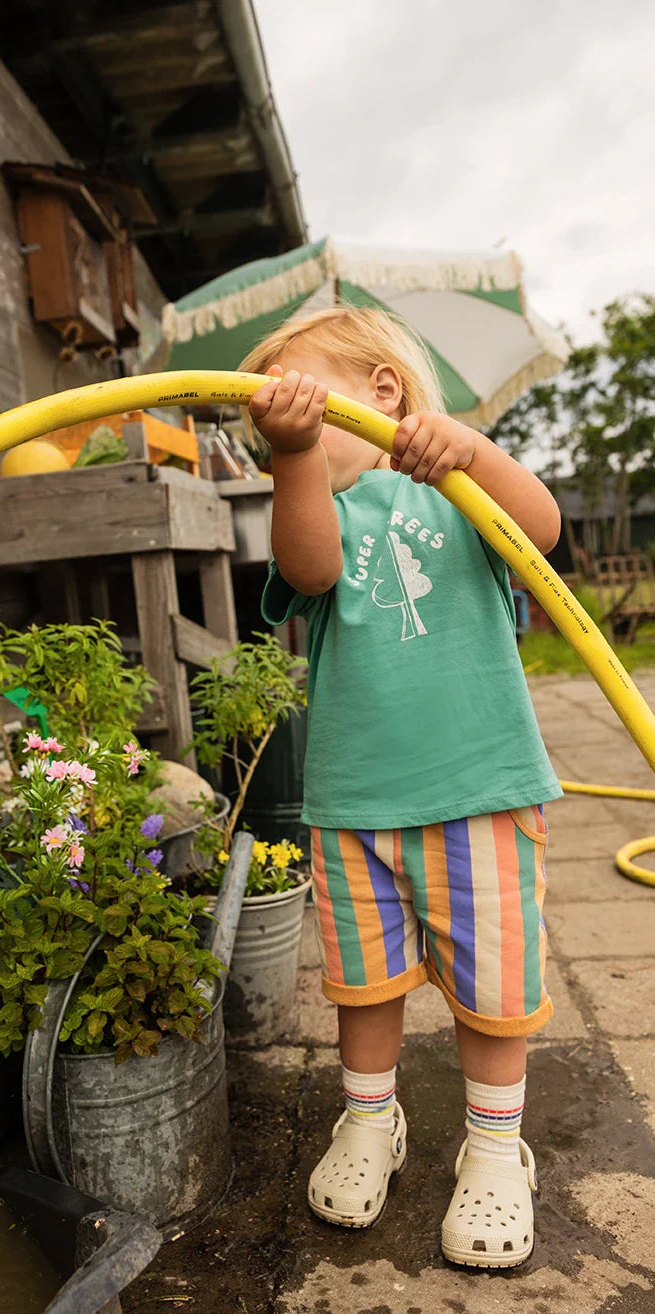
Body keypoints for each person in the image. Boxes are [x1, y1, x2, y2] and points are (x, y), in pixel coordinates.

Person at [242, 305, 562, 1269]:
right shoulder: (323, 509)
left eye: (307, 399)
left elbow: (540, 530)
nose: (287, 416)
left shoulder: (460, 493)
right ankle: (369, 1119)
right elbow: (308, 565)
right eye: (272, 413)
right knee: (365, 985)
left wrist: (470, 450)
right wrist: (293, 454)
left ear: (383, 392)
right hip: (356, 807)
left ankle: (498, 1146)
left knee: (492, 990)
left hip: (481, 792)